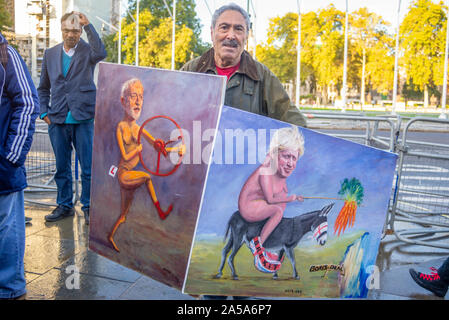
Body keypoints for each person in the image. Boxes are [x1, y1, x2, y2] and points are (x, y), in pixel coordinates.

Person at [181, 2, 307, 128]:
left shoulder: (262, 76)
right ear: (212, 33)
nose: (231, 36)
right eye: (224, 27)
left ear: (246, 36)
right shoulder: (191, 71)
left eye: (238, 29)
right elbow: (167, 111)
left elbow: (293, 120)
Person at [38, 12, 107, 224]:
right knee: (61, 167)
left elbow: (101, 52)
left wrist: (88, 26)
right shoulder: (50, 54)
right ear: (61, 29)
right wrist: (43, 113)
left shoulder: (88, 51)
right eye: (67, 30)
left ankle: (88, 207)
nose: (71, 34)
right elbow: (43, 88)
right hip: (57, 119)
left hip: (84, 118)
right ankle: (64, 205)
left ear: (80, 31)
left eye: (75, 30)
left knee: (87, 168)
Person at [108, 78, 185, 252]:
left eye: (140, 97)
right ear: (123, 101)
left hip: (130, 176)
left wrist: (175, 151)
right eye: (133, 96)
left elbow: (159, 148)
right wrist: (138, 150)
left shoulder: (139, 128)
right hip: (123, 174)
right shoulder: (121, 127)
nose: (137, 101)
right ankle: (160, 211)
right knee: (147, 177)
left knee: (123, 215)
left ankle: (111, 237)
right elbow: (126, 155)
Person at [0, 31, 40, 299]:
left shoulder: (6, 55)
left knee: (7, 226)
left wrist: (11, 157)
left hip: (3, 163)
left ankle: (9, 288)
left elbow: (27, 103)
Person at [238, 126, 305, 273]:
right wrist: (291, 198)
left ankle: (267, 242)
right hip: (249, 206)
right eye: (286, 156)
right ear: (274, 154)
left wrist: (285, 198)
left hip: (260, 206)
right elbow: (269, 198)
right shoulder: (266, 170)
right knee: (277, 211)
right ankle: (258, 245)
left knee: (280, 206)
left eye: (294, 158)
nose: (290, 163)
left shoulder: (281, 177)